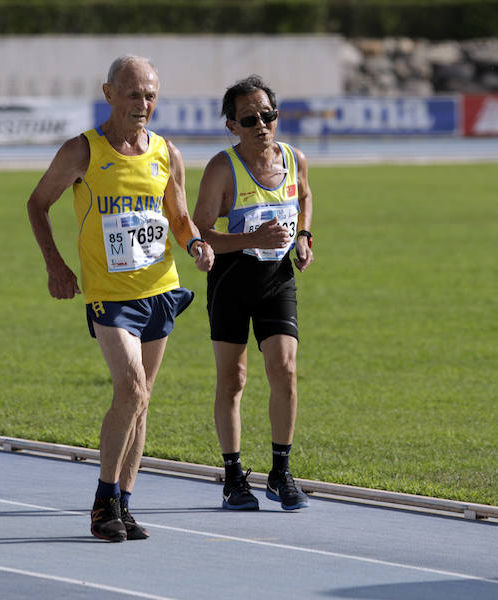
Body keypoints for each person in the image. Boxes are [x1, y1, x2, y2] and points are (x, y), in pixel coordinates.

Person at [27, 55, 214, 541]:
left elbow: (178, 215)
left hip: (160, 288)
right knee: (131, 389)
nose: (143, 103)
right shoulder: (83, 151)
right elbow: (38, 203)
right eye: (133, 93)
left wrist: (194, 242)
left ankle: (124, 505)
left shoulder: (166, 152)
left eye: (150, 94)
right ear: (108, 93)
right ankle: (101, 502)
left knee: (142, 400)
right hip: (110, 296)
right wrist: (55, 264)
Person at [192, 75, 314, 511]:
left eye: (268, 115)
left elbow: (305, 195)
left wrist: (303, 236)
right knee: (234, 379)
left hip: (277, 278)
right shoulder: (221, 169)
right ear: (232, 125)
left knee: (284, 369)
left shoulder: (293, 158)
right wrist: (250, 240)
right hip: (231, 281)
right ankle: (232, 477)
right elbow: (201, 231)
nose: (261, 125)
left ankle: (281, 474)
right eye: (250, 119)